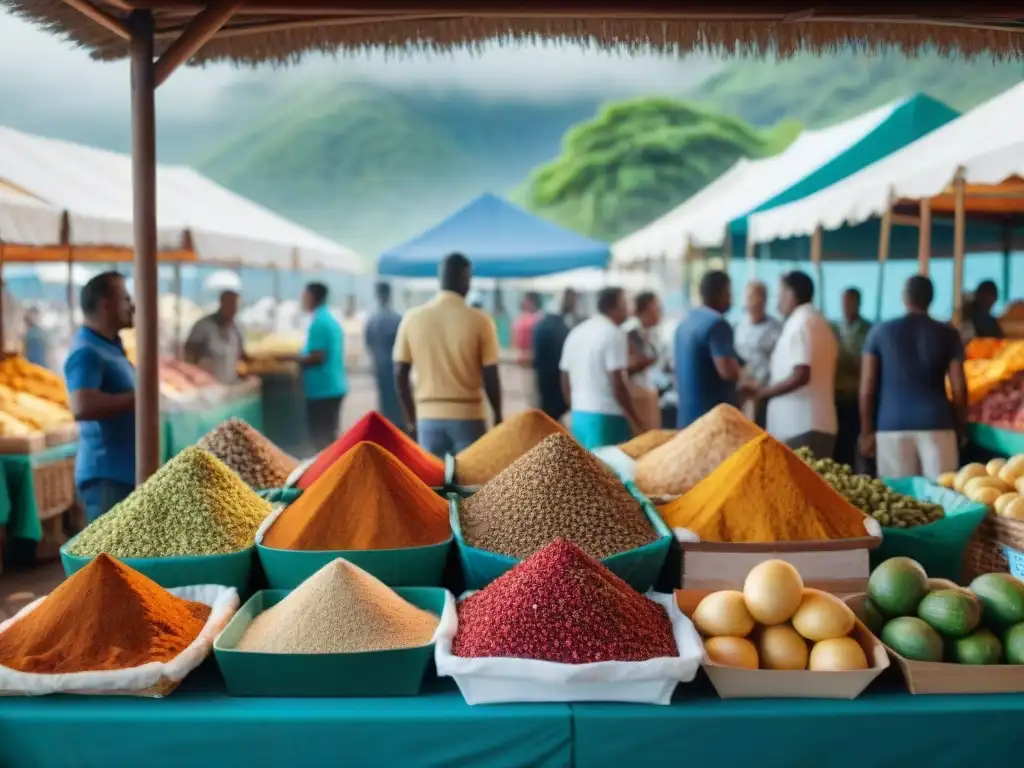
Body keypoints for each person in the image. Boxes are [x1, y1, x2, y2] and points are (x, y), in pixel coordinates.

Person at [394, 253, 503, 457]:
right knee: (470, 486)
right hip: (470, 417)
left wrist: (410, 418)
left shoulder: (412, 318)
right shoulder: (480, 321)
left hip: (427, 416)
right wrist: (497, 414)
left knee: (432, 486)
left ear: (440, 279)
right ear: (466, 279)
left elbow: (400, 373)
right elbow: (491, 374)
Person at [860, 276, 967, 479]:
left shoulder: (880, 332)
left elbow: (866, 389)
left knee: (900, 501)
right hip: (938, 424)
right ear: (931, 298)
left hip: (891, 426)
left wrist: (866, 433)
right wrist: (960, 427)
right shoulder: (948, 334)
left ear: (904, 298)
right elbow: (959, 388)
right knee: (943, 500)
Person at [64, 272, 136, 522]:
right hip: (107, 478)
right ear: (107, 305)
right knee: (108, 557)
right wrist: (140, 399)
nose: (133, 306)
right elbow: (81, 406)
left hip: (124, 474)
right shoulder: (87, 352)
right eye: (126, 299)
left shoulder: (109, 345)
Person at [746, 271, 838, 458]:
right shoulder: (819, 322)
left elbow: (801, 374)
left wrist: (763, 393)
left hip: (801, 427)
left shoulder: (801, 323)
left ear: (791, 294)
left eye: (780, 294)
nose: (777, 302)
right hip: (813, 425)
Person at [559, 286, 644, 449]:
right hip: (607, 418)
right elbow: (617, 383)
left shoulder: (576, 332)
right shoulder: (613, 333)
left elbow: (564, 378)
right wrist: (635, 419)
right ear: (618, 306)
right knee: (608, 470)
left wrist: (573, 404)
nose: (630, 309)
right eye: (626, 303)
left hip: (579, 416)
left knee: (585, 470)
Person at [283, 283, 346, 453]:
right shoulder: (327, 319)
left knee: (322, 440)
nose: (302, 299)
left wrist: (288, 358)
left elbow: (317, 357)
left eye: (304, 295)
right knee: (329, 437)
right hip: (331, 386)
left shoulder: (319, 322)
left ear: (312, 297)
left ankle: (329, 475)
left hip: (323, 390)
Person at [673, 271, 741, 428]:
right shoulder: (718, 324)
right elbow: (727, 371)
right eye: (729, 293)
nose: (731, 299)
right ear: (721, 294)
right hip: (712, 422)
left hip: (686, 418)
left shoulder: (684, 323)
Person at [733, 280, 781, 427]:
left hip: (764, 391)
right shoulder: (739, 327)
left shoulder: (775, 328)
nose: (753, 302)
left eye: (758, 296)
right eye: (749, 297)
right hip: (742, 389)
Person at [833, 287, 872, 467]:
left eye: (849, 302)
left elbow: (865, 364)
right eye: (843, 302)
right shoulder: (834, 328)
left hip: (855, 396)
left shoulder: (868, 330)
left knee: (853, 446)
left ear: (858, 303)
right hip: (835, 395)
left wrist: (845, 356)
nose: (845, 306)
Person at [183, 289, 247, 383]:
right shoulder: (203, 326)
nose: (232, 309)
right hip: (205, 385)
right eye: (229, 305)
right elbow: (188, 356)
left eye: (235, 306)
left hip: (230, 383)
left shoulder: (238, 329)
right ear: (221, 303)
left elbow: (241, 356)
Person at [363, 282, 404, 426]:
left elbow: (368, 342)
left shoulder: (372, 319)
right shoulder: (397, 318)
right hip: (396, 366)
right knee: (398, 399)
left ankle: (386, 427)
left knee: (384, 399)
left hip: (379, 365)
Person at [623, 291, 663, 432]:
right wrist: (645, 362)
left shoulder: (651, 332)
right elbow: (629, 366)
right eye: (656, 308)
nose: (660, 312)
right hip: (636, 397)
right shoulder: (631, 331)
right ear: (644, 311)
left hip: (646, 394)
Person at [512, 292, 543, 406]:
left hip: (534, 361)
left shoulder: (538, 319)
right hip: (525, 360)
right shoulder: (522, 319)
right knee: (529, 395)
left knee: (534, 395)